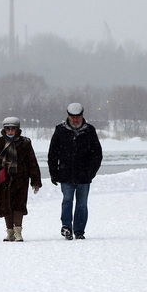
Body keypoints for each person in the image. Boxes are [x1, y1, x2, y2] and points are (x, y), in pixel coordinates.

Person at [48, 103, 103, 240]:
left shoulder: (90, 131)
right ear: (68, 116)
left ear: (82, 116)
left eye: (78, 117)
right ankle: (66, 227)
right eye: (72, 117)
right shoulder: (60, 130)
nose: (75, 120)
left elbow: (97, 154)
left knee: (82, 204)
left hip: (84, 176)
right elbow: (53, 154)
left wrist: (91, 172)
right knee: (67, 201)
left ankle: (79, 231)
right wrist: (54, 173)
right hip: (66, 175)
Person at [0, 117, 42, 242]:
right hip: (3, 179)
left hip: (20, 178)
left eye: (13, 128)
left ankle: (18, 231)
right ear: (4, 129)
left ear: (18, 129)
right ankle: (9, 231)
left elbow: (32, 162)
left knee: (19, 206)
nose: (10, 131)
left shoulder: (25, 143)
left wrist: (35, 181)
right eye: (7, 128)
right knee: (6, 205)